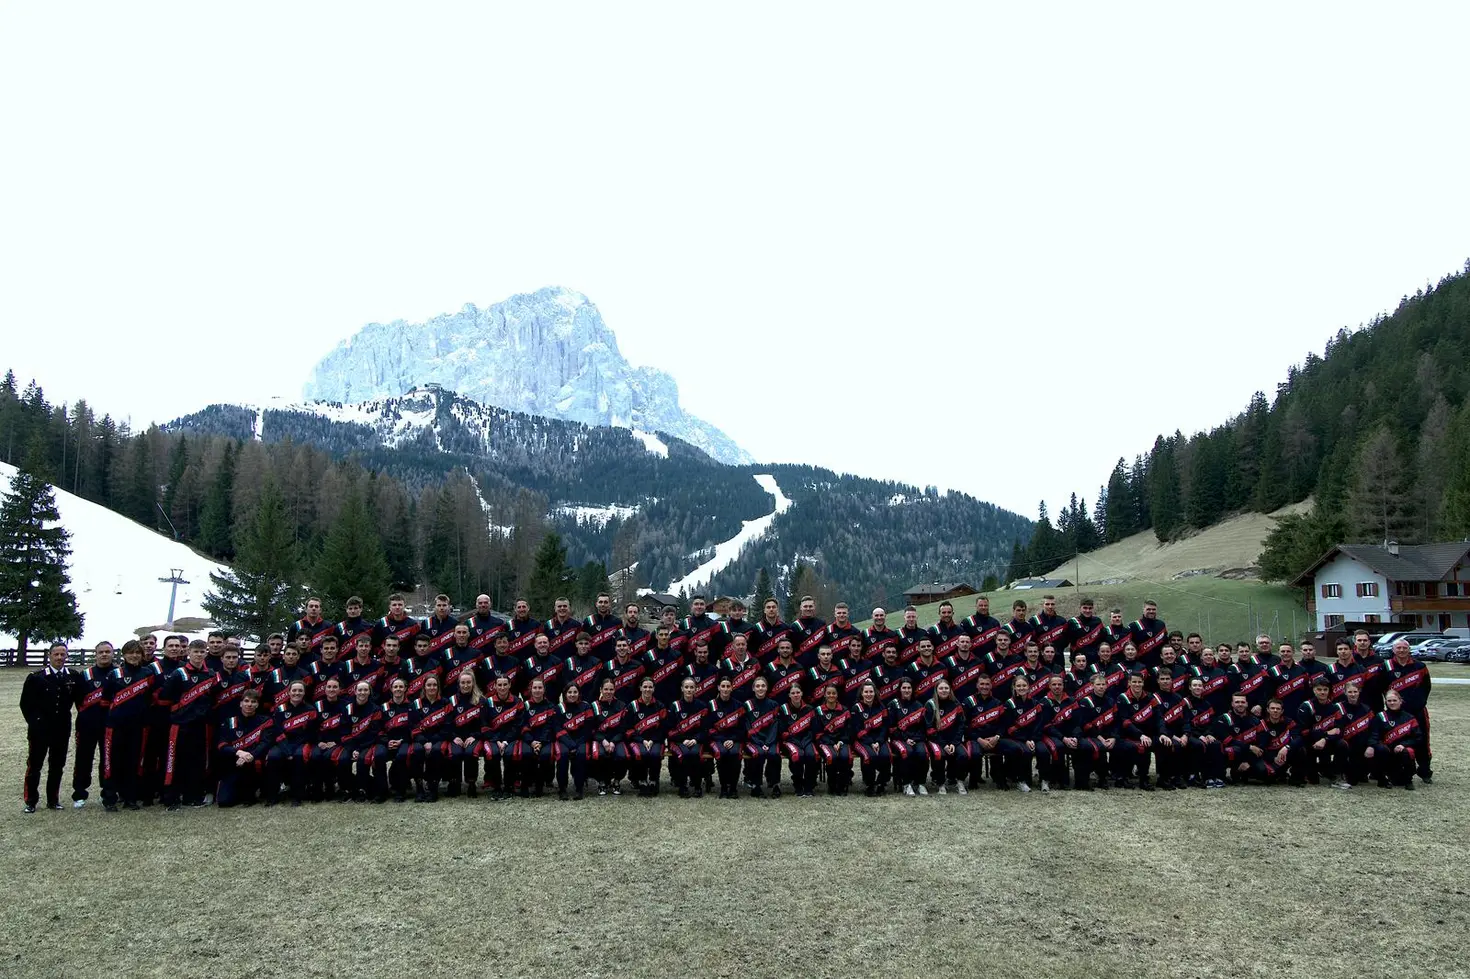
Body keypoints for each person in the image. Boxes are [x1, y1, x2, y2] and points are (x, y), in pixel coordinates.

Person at [100, 639, 161, 811]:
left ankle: (130, 798)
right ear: (124, 655)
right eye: (130, 653)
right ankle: (110, 799)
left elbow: (153, 698)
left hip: (139, 727)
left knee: (134, 762)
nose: (134, 656)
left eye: (137, 653)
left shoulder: (148, 673)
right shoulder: (115, 674)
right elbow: (105, 702)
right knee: (112, 762)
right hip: (115, 727)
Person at [158, 640, 218, 811]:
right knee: (175, 761)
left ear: (206, 653)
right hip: (180, 725)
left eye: (202, 652)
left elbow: (213, 698)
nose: (199, 655)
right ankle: (171, 798)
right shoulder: (179, 674)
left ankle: (193, 796)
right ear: (189, 652)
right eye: (196, 652)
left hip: (201, 726)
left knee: (197, 762)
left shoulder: (211, 674)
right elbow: (164, 698)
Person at [20, 643, 80, 813]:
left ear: (67, 656)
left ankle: (53, 800)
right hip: (40, 729)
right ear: (50, 656)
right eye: (56, 654)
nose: (60, 658)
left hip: (61, 729)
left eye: (63, 654)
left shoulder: (72, 677)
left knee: (57, 765)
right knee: (35, 765)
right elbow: (25, 704)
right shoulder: (36, 677)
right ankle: (31, 801)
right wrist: (35, 723)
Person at [70, 640, 113, 808]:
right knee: (83, 759)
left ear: (112, 653)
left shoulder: (117, 673)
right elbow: (77, 699)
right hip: (87, 725)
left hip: (109, 724)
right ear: (96, 654)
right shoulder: (86, 674)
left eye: (107, 652)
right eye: (101, 652)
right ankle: (79, 794)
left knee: (107, 759)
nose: (104, 654)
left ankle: (106, 792)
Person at [1383, 638, 1432, 783]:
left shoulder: (1420, 666)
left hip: (1418, 712)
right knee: (1395, 740)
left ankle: (1425, 771)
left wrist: (1420, 702)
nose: (1401, 650)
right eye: (1398, 648)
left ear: (1409, 649)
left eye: (1404, 648)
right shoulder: (1387, 666)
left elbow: (1426, 687)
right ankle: (1398, 771)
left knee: (1422, 740)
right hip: (1395, 713)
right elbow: (1382, 687)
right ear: (1393, 650)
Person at [215, 689, 274, 807]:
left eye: (253, 702)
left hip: (254, 763)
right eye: (246, 701)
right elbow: (221, 745)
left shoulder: (265, 721)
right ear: (241, 703)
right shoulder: (229, 722)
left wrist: (250, 755)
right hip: (234, 763)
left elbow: (265, 743)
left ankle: (253, 791)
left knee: (248, 799)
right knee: (224, 802)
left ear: (257, 705)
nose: (249, 704)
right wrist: (238, 753)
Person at [266, 681, 319, 806]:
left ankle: (297, 796)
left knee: (299, 757)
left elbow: (310, 733)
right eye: (294, 690)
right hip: (282, 743)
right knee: (273, 757)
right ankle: (272, 796)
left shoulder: (311, 709)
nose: (297, 693)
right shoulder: (280, 709)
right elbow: (276, 732)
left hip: (302, 743)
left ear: (304, 693)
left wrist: (293, 750)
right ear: (288, 692)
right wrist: (287, 750)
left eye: (300, 690)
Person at [338, 681, 384, 802]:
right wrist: (353, 748)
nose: (362, 692)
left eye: (365, 690)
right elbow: (344, 731)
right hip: (350, 744)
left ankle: (365, 789)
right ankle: (350, 789)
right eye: (360, 690)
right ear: (355, 691)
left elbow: (373, 733)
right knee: (342, 760)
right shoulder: (347, 708)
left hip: (367, 744)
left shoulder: (375, 709)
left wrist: (359, 749)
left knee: (362, 761)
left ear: (369, 692)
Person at [481, 676, 525, 800]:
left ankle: (508, 786)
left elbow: (518, 726)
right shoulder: (487, 702)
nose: (502, 688)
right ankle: (497, 787)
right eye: (499, 685)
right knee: (493, 753)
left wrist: (505, 741)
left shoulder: (517, 702)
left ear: (510, 685)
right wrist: (496, 740)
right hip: (493, 738)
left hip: (511, 738)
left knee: (510, 753)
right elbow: (484, 725)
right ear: (494, 686)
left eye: (505, 684)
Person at [1367, 689, 1421, 790]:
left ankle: (1409, 780)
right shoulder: (1380, 717)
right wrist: (1372, 746)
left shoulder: (1409, 718)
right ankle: (1382, 778)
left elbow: (1418, 738)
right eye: (1389, 701)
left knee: (1408, 752)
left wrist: (1404, 745)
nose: (1392, 703)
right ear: (1386, 702)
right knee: (1379, 749)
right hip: (1386, 753)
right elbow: (1374, 735)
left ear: (1400, 701)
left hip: (1401, 753)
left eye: (1394, 700)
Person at [998, 675, 1043, 793]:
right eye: (1018, 686)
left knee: (1035, 750)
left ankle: (1024, 779)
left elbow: (1039, 724)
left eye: (1024, 685)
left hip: (1030, 738)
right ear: (1014, 687)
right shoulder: (1009, 704)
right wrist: (1025, 739)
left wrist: (1032, 739)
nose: (1021, 688)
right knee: (1024, 751)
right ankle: (1016, 779)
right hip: (1011, 737)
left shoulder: (1034, 703)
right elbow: (1009, 727)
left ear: (1028, 687)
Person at [667, 677, 710, 798]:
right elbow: (670, 729)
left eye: (692, 687)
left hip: (696, 740)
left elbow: (705, 729)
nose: (689, 690)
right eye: (686, 687)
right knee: (683, 754)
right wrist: (683, 739)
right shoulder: (675, 706)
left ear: (696, 689)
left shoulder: (702, 706)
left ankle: (697, 785)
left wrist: (695, 739)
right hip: (679, 740)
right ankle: (682, 786)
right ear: (682, 689)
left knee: (696, 754)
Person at [626, 678, 669, 797]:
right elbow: (628, 728)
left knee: (655, 755)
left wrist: (653, 740)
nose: (647, 689)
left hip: (656, 740)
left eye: (650, 687)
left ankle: (654, 781)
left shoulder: (660, 706)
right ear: (640, 688)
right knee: (642, 754)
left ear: (654, 689)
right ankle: (642, 781)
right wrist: (642, 740)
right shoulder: (633, 706)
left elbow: (664, 728)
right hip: (638, 740)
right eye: (645, 687)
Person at [924, 678, 968, 795]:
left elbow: (961, 725)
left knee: (963, 755)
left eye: (946, 688)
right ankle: (940, 783)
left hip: (953, 741)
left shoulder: (956, 703)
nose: (944, 690)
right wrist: (944, 745)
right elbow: (930, 729)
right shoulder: (930, 704)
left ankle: (958, 780)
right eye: (941, 688)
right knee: (940, 755)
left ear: (950, 690)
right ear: (936, 690)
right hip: (937, 741)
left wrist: (954, 743)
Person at [375, 678, 416, 802]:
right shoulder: (383, 707)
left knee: (402, 755)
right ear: (391, 689)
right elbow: (378, 728)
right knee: (379, 755)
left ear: (405, 689)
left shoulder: (411, 706)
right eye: (395, 687)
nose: (398, 689)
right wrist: (386, 741)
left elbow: (415, 727)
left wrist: (402, 741)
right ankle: (382, 791)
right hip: (387, 742)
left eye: (401, 687)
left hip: (405, 741)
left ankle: (400, 791)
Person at [446, 671, 485, 798]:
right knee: (455, 753)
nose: (466, 685)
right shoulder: (451, 700)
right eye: (463, 682)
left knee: (470, 752)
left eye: (468, 682)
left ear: (473, 683)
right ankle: (454, 782)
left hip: (474, 736)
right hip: (456, 737)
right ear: (459, 683)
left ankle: (471, 783)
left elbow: (485, 723)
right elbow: (447, 723)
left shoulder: (481, 700)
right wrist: (454, 737)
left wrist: (475, 736)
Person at [517, 678, 558, 798]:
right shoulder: (525, 705)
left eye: (540, 688)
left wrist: (540, 742)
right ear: (530, 689)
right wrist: (531, 741)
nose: (537, 690)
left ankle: (539, 785)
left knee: (545, 755)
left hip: (544, 740)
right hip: (529, 739)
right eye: (535, 688)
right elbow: (522, 725)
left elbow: (550, 727)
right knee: (525, 753)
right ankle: (525, 784)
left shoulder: (551, 706)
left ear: (544, 689)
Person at [743, 676, 783, 797]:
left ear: (767, 688)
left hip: (770, 741)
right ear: (753, 688)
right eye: (758, 686)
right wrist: (760, 743)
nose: (760, 688)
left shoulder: (773, 704)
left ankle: (775, 784)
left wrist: (768, 743)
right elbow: (748, 727)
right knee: (758, 754)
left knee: (774, 754)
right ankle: (756, 786)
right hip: (754, 741)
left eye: (763, 686)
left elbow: (775, 727)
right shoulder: (748, 705)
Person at [706, 677, 746, 799]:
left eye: (728, 686)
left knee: (735, 754)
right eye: (723, 686)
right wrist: (722, 740)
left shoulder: (738, 705)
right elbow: (708, 728)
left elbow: (743, 729)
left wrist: (732, 740)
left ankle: (733, 788)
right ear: (718, 687)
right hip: (717, 739)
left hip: (735, 739)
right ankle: (724, 787)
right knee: (721, 753)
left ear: (732, 687)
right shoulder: (711, 705)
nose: (725, 689)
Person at [888, 678, 929, 796]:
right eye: (904, 688)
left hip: (916, 738)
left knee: (923, 753)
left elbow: (923, 727)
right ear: (900, 689)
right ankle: (906, 784)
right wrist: (905, 738)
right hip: (899, 739)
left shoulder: (918, 704)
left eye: (909, 688)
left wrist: (915, 739)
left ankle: (920, 783)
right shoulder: (894, 704)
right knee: (907, 752)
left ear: (912, 689)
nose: (906, 690)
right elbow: (891, 728)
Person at [554, 682, 595, 800]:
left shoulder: (586, 706)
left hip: (581, 740)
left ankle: (579, 788)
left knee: (581, 754)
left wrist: (577, 744)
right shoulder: (559, 708)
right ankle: (562, 789)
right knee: (562, 755)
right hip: (565, 741)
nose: (572, 695)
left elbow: (588, 728)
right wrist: (570, 744)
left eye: (575, 692)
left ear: (579, 693)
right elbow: (557, 729)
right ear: (565, 694)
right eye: (569, 692)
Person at [311, 677, 349, 801]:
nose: (331, 690)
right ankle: (317, 789)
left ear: (340, 690)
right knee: (315, 756)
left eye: (334, 687)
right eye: (329, 687)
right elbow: (313, 727)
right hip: (321, 741)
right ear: (324, 689)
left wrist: (337, 741)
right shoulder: (317, 705)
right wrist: (319, 741)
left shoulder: (346, 705)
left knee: (332, 757)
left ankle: (333, 788)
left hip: (339, 741)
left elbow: (348, 727)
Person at [779, 682, 819, 798]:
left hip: (806, 741)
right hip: (790, 741)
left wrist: (805, 741)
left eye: (798, 692)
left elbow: (813, 730)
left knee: (812, 755)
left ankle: (809, 786)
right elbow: (782, 731)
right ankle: (798, 785)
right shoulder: (784, 709)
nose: (796, 695)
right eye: (793, 693)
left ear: (801, 694)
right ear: (789, 695)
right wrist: (796, 741)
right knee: (798, 755)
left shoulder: (809, 709)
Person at [591, 678, 630, 796]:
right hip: (599, 739)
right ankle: (602, 782)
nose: (608, 692)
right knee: (599, 755)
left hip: (616, 739)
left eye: (611, 689)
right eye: (606, 689)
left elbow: (623, 729)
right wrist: (603, 740)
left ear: (615, 690)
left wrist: (613, 742)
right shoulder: (594, 706)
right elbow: (592, 729)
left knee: (623, 756)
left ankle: (617, 780)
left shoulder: (621, 705)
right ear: (601, 690)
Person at [814, 683, 854, 796]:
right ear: (825, 695)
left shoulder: (845, 710)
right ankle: (832, 785)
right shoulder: (819, 711)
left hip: (841, 741)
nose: (831, 695)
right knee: (831, 757)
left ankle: (842, 785)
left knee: (845, 756)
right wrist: (831, 743)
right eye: (829, 693)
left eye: (834, 693)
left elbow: (848, 731)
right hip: (825, 742)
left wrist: (840, 742)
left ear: (837, 695)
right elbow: (817, 732)